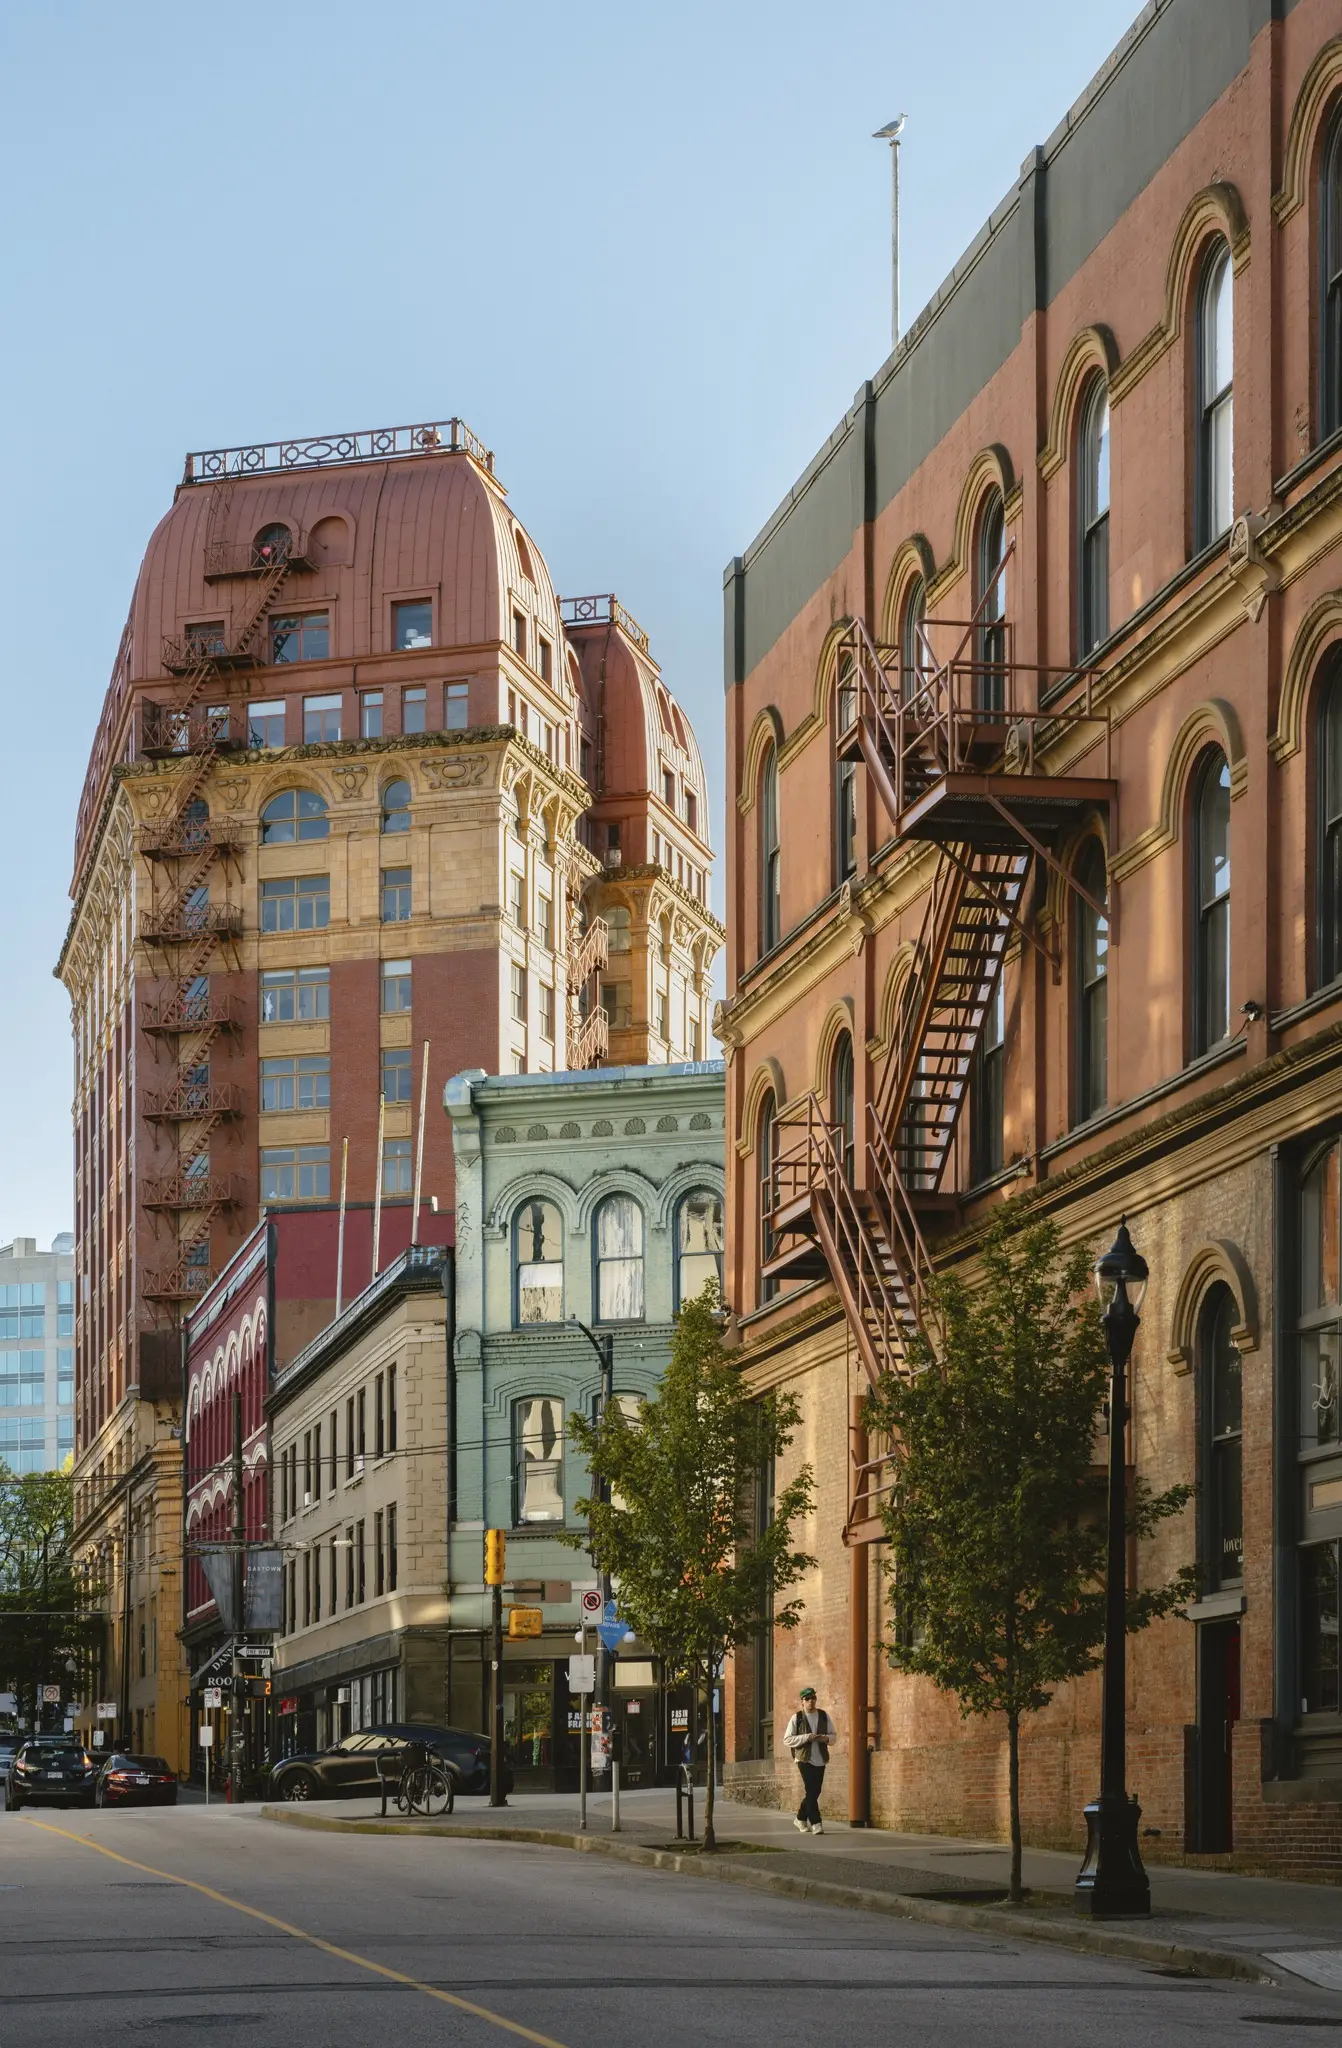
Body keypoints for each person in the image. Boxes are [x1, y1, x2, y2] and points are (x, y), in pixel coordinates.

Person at [784, 1685, 836, 1835]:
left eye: (813, 1698)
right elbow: (787, 1740)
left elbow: (833, 1736)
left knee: (815, 1791)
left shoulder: (824, 1716)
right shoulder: (797, 1718)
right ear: (802, 1702)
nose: (811, 1701)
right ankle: (816, 1823)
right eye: (807, 1699)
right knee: (811, 1790)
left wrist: (825, 1738)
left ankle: (800, 1818)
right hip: (804, 1759)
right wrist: (806, 1737)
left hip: (820, 1758)